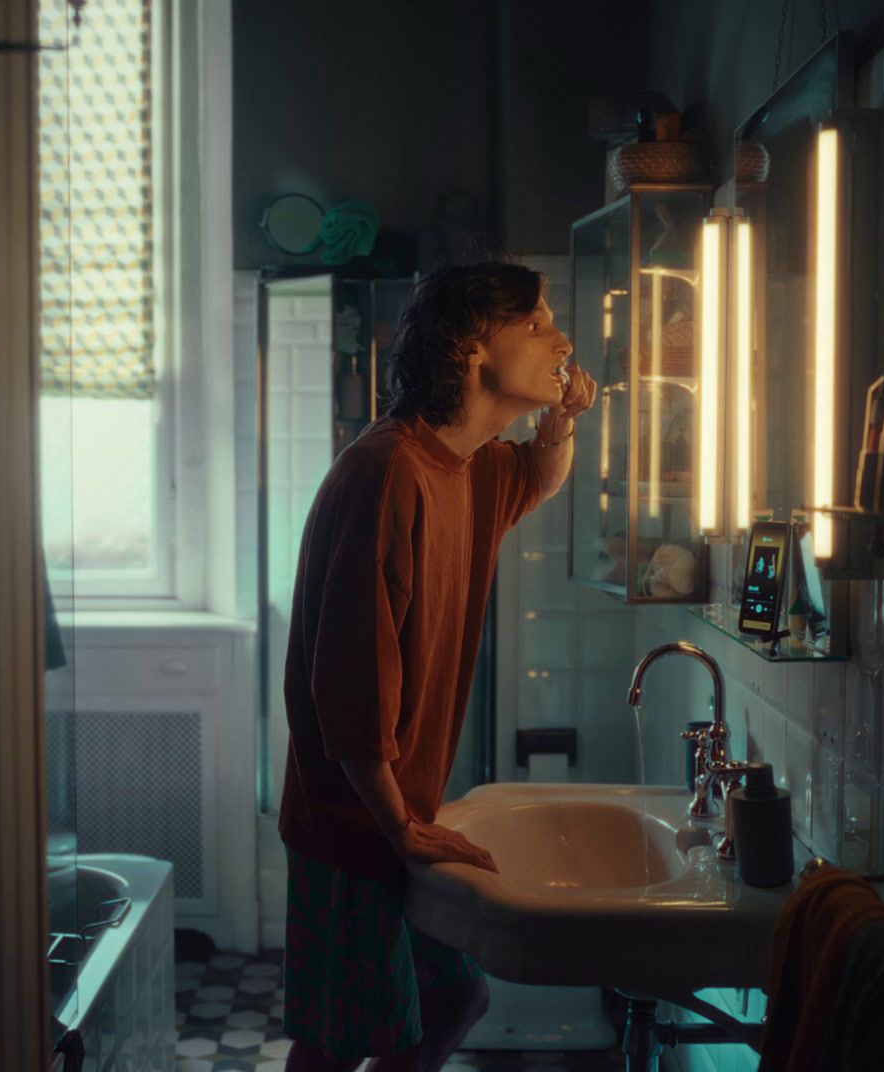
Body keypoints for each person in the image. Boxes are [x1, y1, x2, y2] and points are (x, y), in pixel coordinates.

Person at [278, 261, 597, 1072]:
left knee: (455, 999)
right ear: (469, 347)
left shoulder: (471, 466)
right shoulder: (389, 470)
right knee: (335, 1047)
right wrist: (397, 826)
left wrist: (559, 423)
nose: (561, 339)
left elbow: (535, 477)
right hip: (353, 825)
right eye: (536, 324)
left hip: (395, 817)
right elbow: (349, 680)